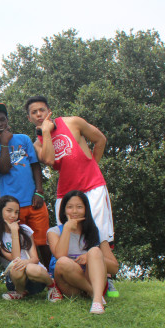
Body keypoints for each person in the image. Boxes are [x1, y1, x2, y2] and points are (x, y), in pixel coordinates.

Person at [26, 95, 113, 243]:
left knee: (100, 237)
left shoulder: (73, 122)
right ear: (29, 118)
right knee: (70, 239)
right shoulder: (37, 145)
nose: (39, 114)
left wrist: (93, 166)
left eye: (42, 110)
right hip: (66, 193)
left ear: (49, 111)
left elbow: (100, 140)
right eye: (34, 112)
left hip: (93, 186)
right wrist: (46, 132)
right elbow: (49, 160)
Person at [0, 102, 51, 267]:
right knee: (20, 244)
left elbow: (35, 166)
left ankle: (52, 279)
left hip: (33, 201)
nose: (0, 124)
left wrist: (39, 191)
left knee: (43, 242)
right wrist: (5, 143)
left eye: (2, 119)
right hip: (12, 208)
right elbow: (4, 169)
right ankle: (23, 279)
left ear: (7, 119)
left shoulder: (23, 139)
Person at [46, 190, 118, 314]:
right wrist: (67, 228)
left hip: (95, 280)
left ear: (86, 209)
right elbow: (60, 256)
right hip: (70, 285)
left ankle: (96, 301)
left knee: (94, 251)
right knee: (63, 261)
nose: (74, 211)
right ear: (63, 210)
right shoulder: (54, 232)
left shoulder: (96, 233)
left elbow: (114, 268)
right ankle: (93, 293)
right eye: (70, 207)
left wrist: (91, 257)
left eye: (79, 207)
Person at [0, 196, 54, 301]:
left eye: (16, 212)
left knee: (30, 269)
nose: (13, 215)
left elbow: (35, 258)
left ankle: (53, 287)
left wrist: (26, 262)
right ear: (0, 212)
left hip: (36, 278)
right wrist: (14, 233)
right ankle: (20, 292)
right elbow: (15, 259)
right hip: (15, 280)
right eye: (9, 211)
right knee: (16, 267)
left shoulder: (25, 230)